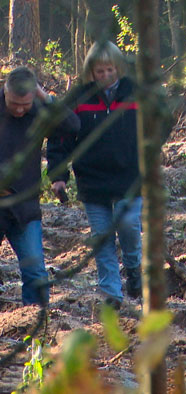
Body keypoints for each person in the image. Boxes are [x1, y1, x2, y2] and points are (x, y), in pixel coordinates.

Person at [49, 41, 142, 310]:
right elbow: (60, 136)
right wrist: (58, 176)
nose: (104, 76)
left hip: (129, 177)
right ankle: (111, 294)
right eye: (99, 71)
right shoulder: (79, 98)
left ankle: (134, 268)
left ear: (119, 68)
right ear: (91, 71)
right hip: (92, 179)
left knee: (127, 225)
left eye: (109, 70)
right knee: (102, 237)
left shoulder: (134, 94)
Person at [0, 66, 79, 306]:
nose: (20, 109)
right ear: (5, 91)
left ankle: (35, 327)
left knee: (36, 274)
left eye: (25, 103)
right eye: (14, 103)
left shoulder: (38, 109)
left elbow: (72, 126)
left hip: (24, 205)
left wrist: (46, 98)